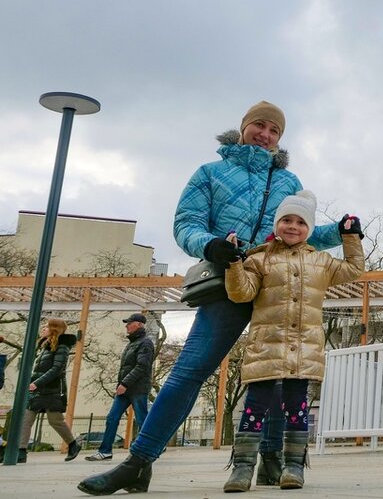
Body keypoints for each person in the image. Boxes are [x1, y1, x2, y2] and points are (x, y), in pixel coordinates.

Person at [80, 102, 346, 495]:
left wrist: (341, 231)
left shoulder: (288, 181)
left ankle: (272, 462)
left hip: (275, 285)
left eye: (274, 130)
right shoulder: (211, 173)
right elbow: (186, 224)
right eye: (259, 125)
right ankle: (139, 461)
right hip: (229, 280)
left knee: (279, 375)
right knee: (189, 372)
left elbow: (299, 232)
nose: (266, 134)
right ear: (243, 128)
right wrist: (211, 245)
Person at [222, 191, 363, 491]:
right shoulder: (259, 259)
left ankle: (294, 466)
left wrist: (351, 237)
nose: (293, 226)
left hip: (304, 349)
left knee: (297, 406)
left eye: (300, 222)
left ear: (309, 229)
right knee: (255, 406)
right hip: (265, 346)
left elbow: (353, 269)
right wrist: (234, 263)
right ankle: (243, 468)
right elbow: (241, 293)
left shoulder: (321, 262)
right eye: (287, 220)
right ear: (277, 224)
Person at [85, 313, 156, 462]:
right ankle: (105, 451)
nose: (127, 325)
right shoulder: (131, 344)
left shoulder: (146, 343)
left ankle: (151, 448)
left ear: (139, 325)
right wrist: (122, 384)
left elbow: (142, 366)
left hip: (137, 388)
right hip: (125, 388)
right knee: (112, 418)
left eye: (130, 323)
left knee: (142, 419)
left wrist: (125, 383)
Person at [18, 318, 82, 463]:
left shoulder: (62, 347)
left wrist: (37, 383)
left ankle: (73, 444)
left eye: (46, 326)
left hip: (52, 390)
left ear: (54, 329)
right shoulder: (44, 346)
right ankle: (21, 451)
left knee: (55, 420)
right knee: (26, 418)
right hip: (38, 389)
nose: (43, 328)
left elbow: (57, 369)